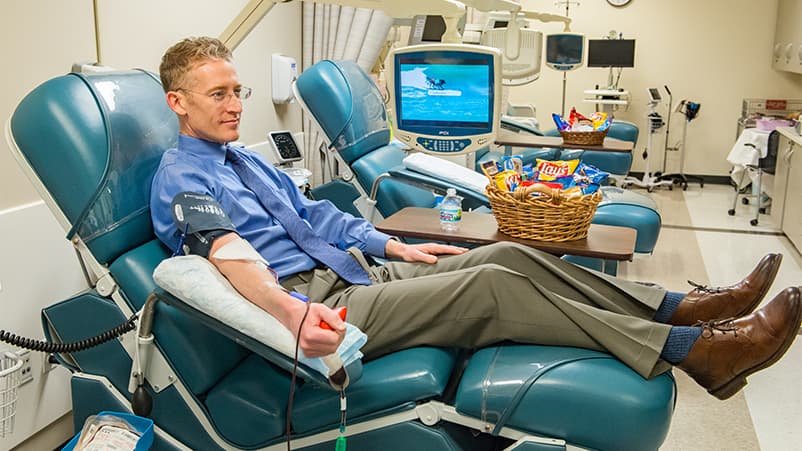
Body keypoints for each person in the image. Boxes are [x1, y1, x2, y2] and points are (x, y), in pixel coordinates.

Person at [150, 36, 802, 401]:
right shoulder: (184, 175)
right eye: (219, 93)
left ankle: (677, 306)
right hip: (316, 309)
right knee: (492, 286)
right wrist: (292, 314)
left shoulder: (250, 161)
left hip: (357, 276)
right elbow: (222, 248)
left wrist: (391, 246)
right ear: (178, 103)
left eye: (238, 89)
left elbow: (319, 216)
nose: (235, 102)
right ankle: (697, 352)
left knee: (510, 254)